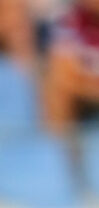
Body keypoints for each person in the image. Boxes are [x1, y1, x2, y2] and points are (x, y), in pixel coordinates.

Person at [43, 0, 99, 129]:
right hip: (84, 94)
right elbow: (64, 71)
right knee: (56, 85)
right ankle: (59, 145)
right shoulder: (67, 20)